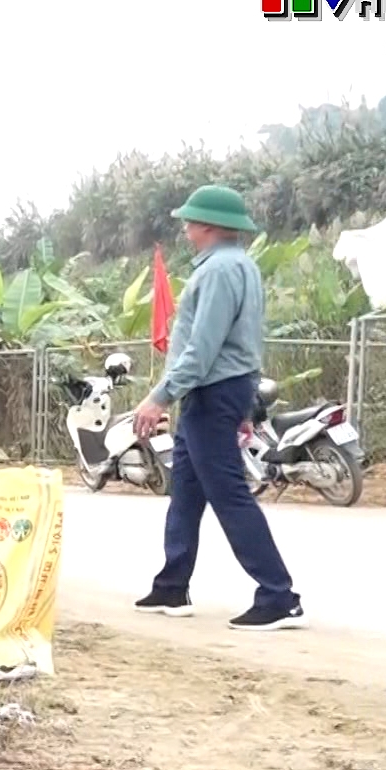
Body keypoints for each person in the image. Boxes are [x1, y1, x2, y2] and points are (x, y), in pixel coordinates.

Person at [129, 185, 301, 632]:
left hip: (211, 389)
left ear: (206, 225)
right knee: (185, 489)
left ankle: (278, 594)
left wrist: (159, 397)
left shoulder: (220, 271)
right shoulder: (236, 266)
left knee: (227, 492)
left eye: (189, 220)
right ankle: (172, 583)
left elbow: (201, 350)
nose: (185, 228)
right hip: (219, 389)